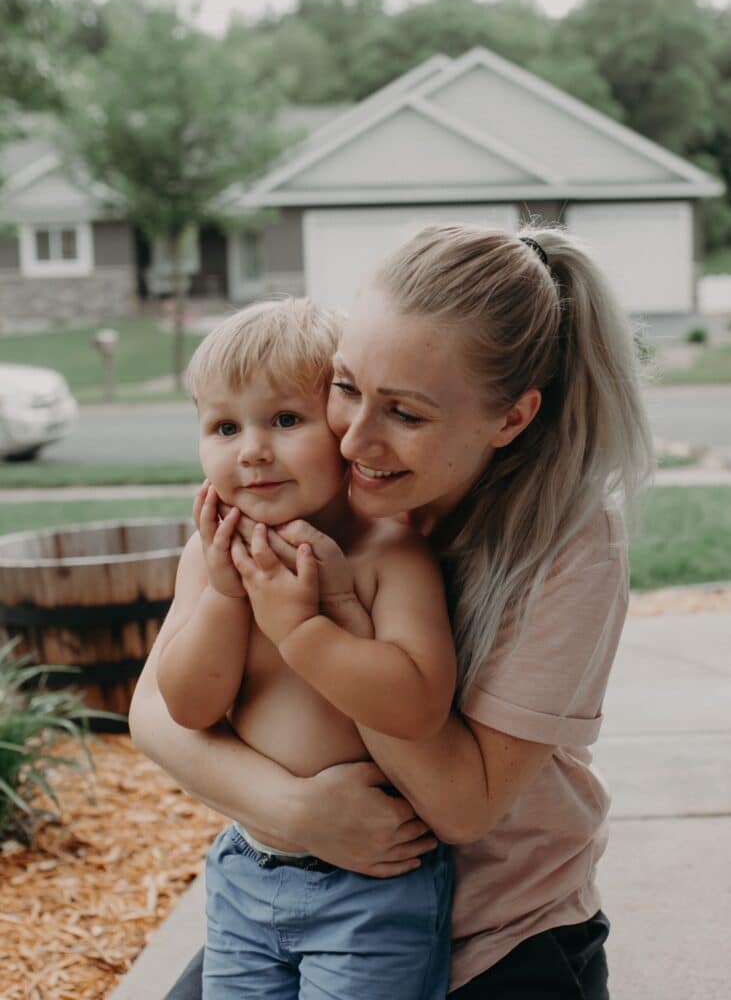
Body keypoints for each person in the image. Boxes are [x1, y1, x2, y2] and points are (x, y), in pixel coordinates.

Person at [130, 222, 654, 999]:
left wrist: (313, 625)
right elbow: (156, 711)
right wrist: (294, 813)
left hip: (497, 932)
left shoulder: (571, 545)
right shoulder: (292, 495)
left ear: (510, 419)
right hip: (288, 892)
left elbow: (461, 805)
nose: (353, 440)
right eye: (344, 388)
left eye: (404, 414)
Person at [147, 298, 455, 1000]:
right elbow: (191, 706)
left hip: (369, 887)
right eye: (224, 426)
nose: (251, 449)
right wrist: (226, 597)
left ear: (343, 429)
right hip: (248, 867)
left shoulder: (387, 555)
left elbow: (415, 706)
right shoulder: (210, 557)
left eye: (284, 420)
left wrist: (310, 626)